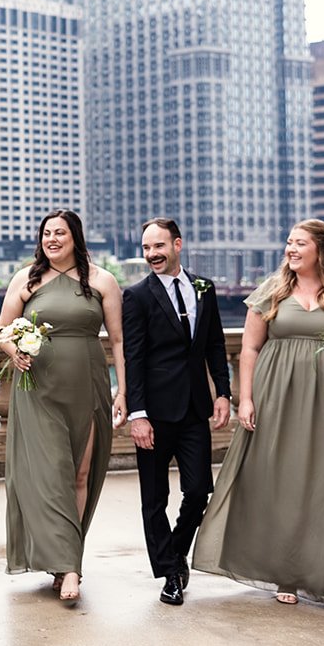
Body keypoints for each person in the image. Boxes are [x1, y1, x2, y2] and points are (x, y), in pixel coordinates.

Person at [192, 219, 324, 622]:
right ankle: (288, 575)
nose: (290, 250)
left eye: (299, 243)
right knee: (286, 484)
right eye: (289, 243)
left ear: (320, 250)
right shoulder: (271, 292)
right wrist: (247, 400)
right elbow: (249, 350)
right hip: (279, 398)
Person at [0, 209, 127, 605]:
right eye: (46, 233)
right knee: (48, 475)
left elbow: (119, 341)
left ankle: (68, 558)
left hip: (87, 385)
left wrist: (124, 392)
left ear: (75, 237)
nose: (52, 239)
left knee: (80, 473)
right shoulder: (26, 278)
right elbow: (2, 328)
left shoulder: (102, 280)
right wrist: (12, 348)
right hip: (37, 388)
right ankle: (69, 565)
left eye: (60, 233)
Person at [121, 218, 231, 607]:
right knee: (154, 498)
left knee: (199, 490)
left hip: (194, 409)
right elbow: (132, 358)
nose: (151, 254)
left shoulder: (204, 288)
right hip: (153, 412)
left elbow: (215, 344)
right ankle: (170, 573)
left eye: (159, 246)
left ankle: (176, 553)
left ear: (178, 245)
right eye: (146, 248)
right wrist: (138, 414)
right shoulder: (135, 296)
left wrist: (223, 393)